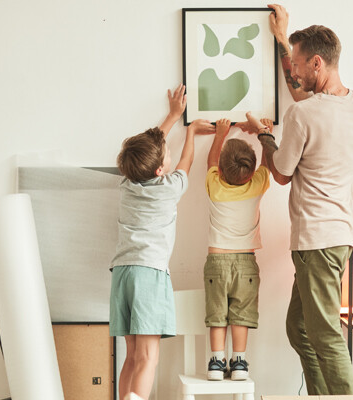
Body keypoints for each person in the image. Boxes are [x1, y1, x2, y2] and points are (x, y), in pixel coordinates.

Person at [260, 4, 353, 395]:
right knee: (299, 327)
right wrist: (282, 37)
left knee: (324, 335)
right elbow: (303, 97)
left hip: (316, 239)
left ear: (318, 63)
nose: (293, 70)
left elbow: (279, 173)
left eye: (298, 63)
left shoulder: (302, 117)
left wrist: (263, 138)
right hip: (340, 235)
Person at [109, 84, 214, 399]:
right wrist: (191, 132)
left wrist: (172, 116)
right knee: (149, 358)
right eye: (166, 153)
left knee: (131, 356)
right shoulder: (170, 188)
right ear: (159, 169)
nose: (170, 152)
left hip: (122, 274)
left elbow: (152, 147)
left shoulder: (126, 185)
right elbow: (187, 162)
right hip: (149, 274)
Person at [202, 114, 273, 381]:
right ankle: (240, 362)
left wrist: (220, 134)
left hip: (216, 261)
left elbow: (210, 161)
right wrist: (264, 132)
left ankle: (217, 362)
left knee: (217, 314)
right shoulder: (257, 185)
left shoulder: (214, 186)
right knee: (241, 315)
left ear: (220, 171)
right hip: (246, 263)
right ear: (251, 172)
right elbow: (267, 164)